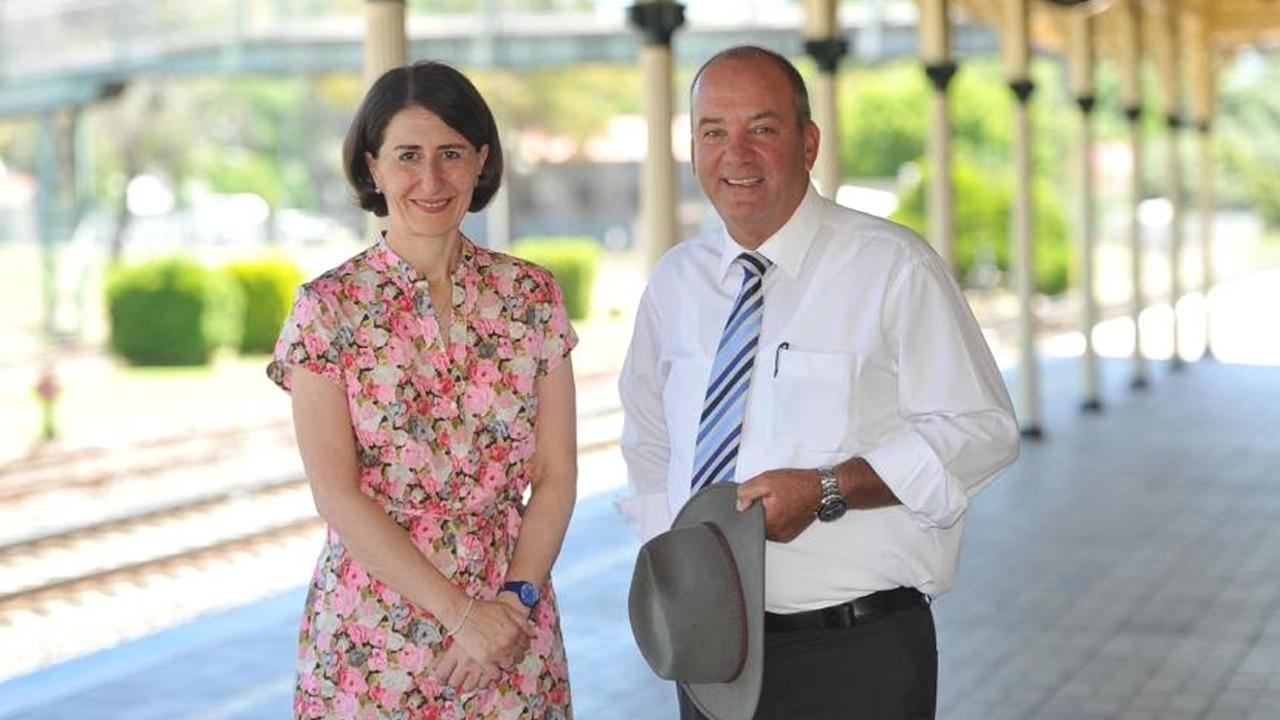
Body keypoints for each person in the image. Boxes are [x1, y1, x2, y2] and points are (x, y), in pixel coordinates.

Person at [617, 45, 1020, 719]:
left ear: (808, 142)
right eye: (714, 131)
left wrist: (830, 487)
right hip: (716, 658)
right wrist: (687, 579)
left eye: (762, 129)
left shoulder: (892, 267)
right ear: (692, 149)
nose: (736, 154)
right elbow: (648, 443)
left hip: (856, 655)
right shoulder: (675, 284)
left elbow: (983, 432)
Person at [268, 61, 577, 719]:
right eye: (408, 156)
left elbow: (555, 472)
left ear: (481, 162)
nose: (431, 180)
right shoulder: (327, 309)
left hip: (512, 621)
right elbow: (337, 494)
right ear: (373, 168)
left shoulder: (532, 296)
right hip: (372, 634)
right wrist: (462, 615)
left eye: (451, 155)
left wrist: (511, 606)